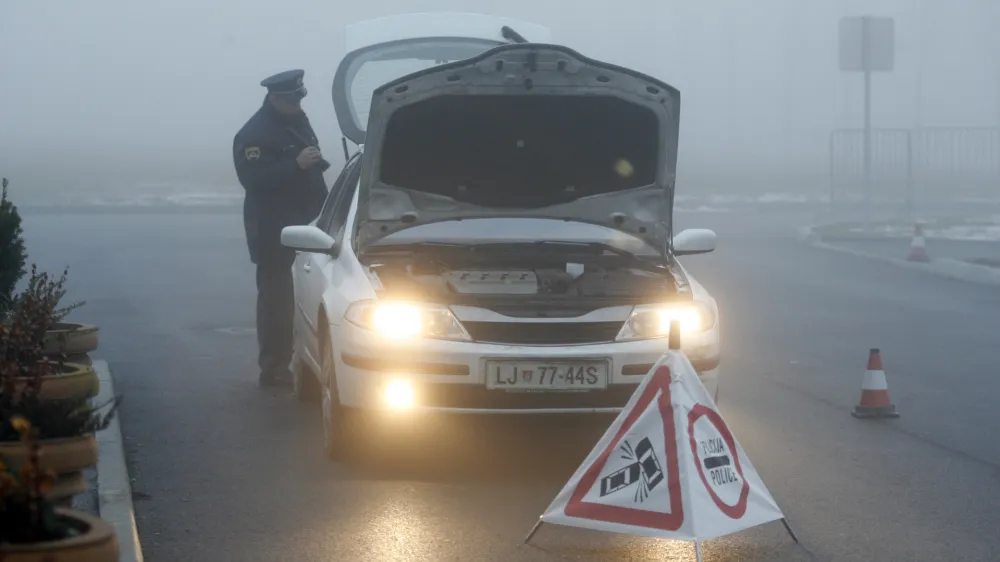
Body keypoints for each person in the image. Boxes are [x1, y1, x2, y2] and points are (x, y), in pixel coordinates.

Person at [232, 69, 329, 387]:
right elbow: (253, 180)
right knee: (277, 301)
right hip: (272, 229)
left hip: (308, 222)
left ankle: (310, 359)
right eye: (291, 101)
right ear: (274, 98)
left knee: (314, 294)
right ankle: (274, 368)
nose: (297, 105)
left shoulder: (297, 121)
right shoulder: (255, 134)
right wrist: (294, 164)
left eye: (299, 99)